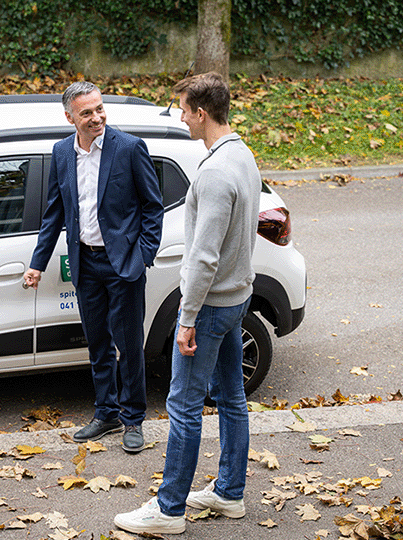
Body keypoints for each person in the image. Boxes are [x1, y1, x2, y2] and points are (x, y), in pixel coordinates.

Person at [115, 72, 261, 535]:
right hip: (238, 299)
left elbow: (203, 255)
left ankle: (169, 510)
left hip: (212, 307)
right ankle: (228, 493)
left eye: (182, 108)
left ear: (201, 112)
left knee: (183, 407)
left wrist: (187, 318)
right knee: (233, 399)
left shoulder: (217, 171)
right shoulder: (242, 154)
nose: (180, 116)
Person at [25, 81, 165, 454]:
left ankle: (133, 419)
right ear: (69, 116)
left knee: (129, 344)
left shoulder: (129, 148)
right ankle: (106, 413)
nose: (97, 117)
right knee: (98, 343)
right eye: (86, 112)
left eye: (99, 109)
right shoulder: (61, 152)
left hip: (123, 265)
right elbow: (55, 211)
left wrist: (143, 256)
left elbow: (153, 207)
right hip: (84, 261)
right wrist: (37, 263)